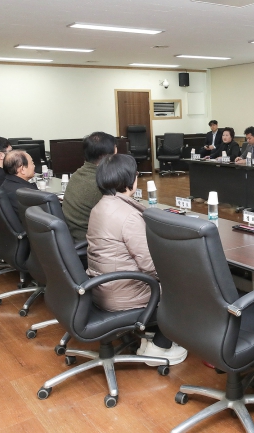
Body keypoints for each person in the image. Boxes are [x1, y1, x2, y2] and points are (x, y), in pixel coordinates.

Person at [86, 154, 187, 365]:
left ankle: (151, 337)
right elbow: (150, 265)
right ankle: (160, 347)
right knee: (185, 286)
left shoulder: (100, 206)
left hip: (101, 287)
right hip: (122, 294)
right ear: (129, 179)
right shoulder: (129, 217)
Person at [63, 132, 117, 242]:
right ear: (105, 156)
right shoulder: (101, 184)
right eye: (115, 152)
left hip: (73, 236)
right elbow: (119, 217)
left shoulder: (77, 174)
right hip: (90, 241)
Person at [0, 150, 37, 215]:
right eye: (32, 163)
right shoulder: (26, 194)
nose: (34, 166)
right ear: (22, 169)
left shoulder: (5, 184)